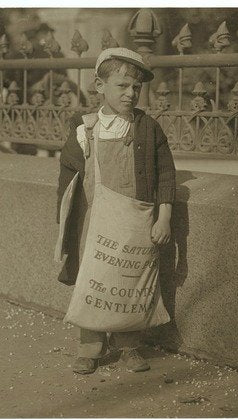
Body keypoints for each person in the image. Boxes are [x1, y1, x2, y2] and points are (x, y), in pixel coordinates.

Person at [56, 47, 176, 375]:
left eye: (135, 87)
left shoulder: (148, 129)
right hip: (94, 221)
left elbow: (166, 174)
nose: (130, 93)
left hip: (135, 220)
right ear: (99, 86)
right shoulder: (85, 129)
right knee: (93, 280)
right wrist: (67, 223)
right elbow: (68, 177)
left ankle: (129, 346)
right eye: (122, 85)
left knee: (131, 278)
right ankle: (90, 347)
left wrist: (163, 216)